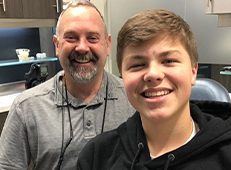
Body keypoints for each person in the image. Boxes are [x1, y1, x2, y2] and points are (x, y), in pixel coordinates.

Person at [77, 9, 231, 170]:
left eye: (169, 61)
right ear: (122, 76)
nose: (153, 74)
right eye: (138, 64)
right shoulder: (97, 156)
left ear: (193, 71)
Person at [0, 1, 135, 169]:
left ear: (107, 45)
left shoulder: (134, 98)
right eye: (71, 37)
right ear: (57, 45)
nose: (82, 48)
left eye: (92, 38)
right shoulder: (26, 108)